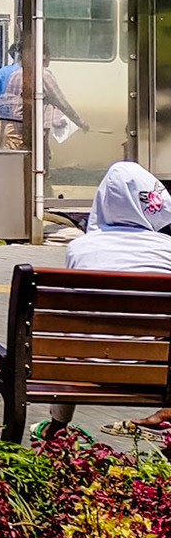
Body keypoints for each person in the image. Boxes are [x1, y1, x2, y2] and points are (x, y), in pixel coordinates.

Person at [31, 163, 171, 441]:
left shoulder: (80, 249)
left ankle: (58, 425)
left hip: (86, 367)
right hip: (153, 371)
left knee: (70, 336)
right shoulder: (167, 250)